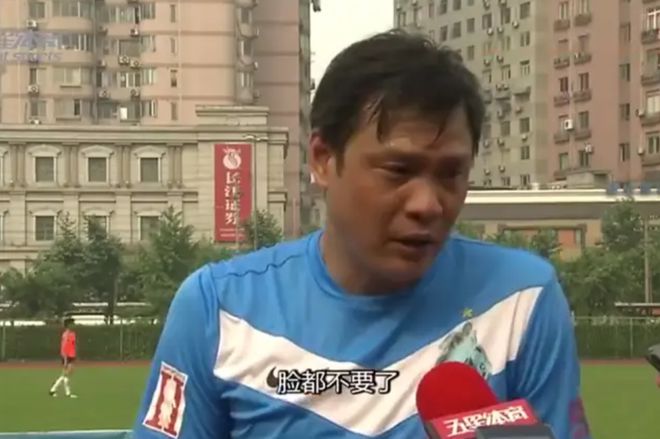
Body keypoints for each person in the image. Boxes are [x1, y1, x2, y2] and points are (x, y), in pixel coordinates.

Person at [132, 30, 591, 438]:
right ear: (323, 159)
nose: (428, 204)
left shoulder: (522, 301)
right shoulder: (218, 308)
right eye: (398, 170)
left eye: (451, 174)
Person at [49, 317, 78, 398]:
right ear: (68, 325)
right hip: (67, 356)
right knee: (65, 374)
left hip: (71, 355)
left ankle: (59, 391)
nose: (74, 325)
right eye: (72, 323)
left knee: (66, 374)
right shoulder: (66, 334)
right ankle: (55, 390)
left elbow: (72, 345)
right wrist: (65, 359)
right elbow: (64, 347)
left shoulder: (72, 334)